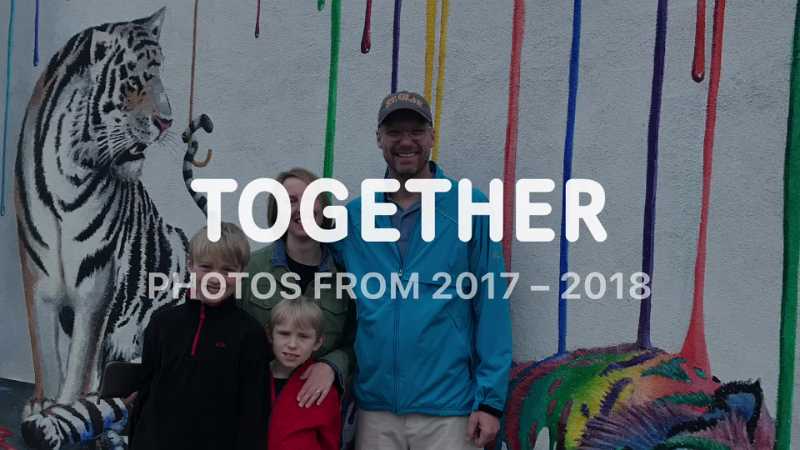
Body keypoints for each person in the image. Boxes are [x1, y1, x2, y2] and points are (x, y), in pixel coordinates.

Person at [333, 91, 513, 449]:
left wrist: (490, 401)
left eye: (416, 131)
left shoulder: (470, 207)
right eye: (394, 132)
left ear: (432, 136)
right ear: (379, 139)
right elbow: (315, 280)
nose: (405, 142)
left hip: (449, 412)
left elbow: (492, 305)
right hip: (375, 411)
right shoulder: (354, 218)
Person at [129, 222, 269, 450]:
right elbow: (144, 394)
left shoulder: (250, 334)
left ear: (242, 272)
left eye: (227, 270)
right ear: (190, 265)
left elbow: (253, 413)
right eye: (206, 267)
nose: (216, 278)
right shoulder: (162, 324)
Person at [239, 167, 356, 408]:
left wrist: (332, 365)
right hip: (256, 402)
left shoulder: (345, 276)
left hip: (315, 409)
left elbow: (357, 340)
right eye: (291, 201)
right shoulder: (251, 268)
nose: (302, 208)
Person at [267, 296, 342, 450]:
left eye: (303, 336)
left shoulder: (322, 388)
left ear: (318, 342)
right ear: (270, 335)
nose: (292, 344)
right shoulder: (253, 377)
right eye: (284, 333)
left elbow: (330, 442)